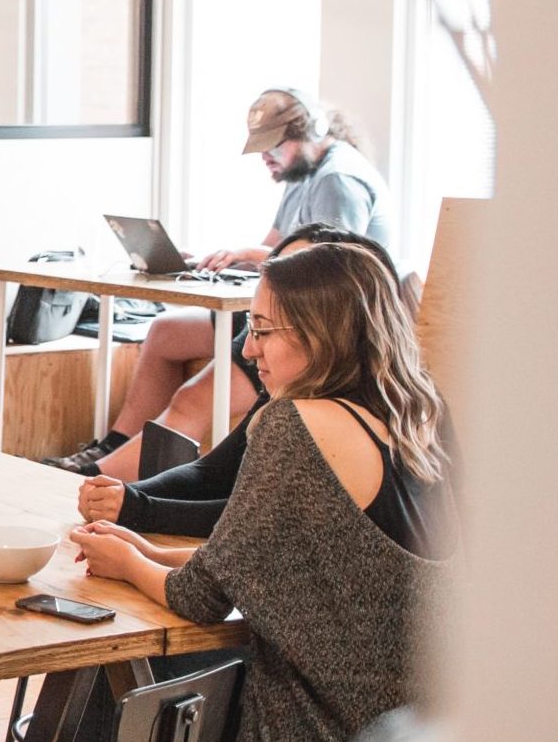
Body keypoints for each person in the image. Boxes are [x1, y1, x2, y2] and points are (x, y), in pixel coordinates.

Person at [68, 241, 455, 742]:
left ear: (320, 334)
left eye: (261, 330)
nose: (248, 351)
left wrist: (126, 561)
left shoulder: (297, 425)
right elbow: (258, 562)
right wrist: (140, 552)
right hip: (414, 741)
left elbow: (200, 598)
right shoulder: (412, 418)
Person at [48, 88, 397, 478]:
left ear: (309, 133)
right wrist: (225, 260)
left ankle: (99, 479)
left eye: (273, 147)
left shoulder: (339, 180)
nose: (266, 158)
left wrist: (254, 256)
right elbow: (275, 247)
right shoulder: (302, 174)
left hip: (315, 328)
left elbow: (331, 274)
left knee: (192, 399)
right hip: (287, 313)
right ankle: (114, 445)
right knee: (165, 333)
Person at [75, 224, 405, 537]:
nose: (249, 349)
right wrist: (122, 494)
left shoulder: (316, 420)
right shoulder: (307, 391)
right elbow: (215, 475)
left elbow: (245, 531)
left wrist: (134, 509)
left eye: (264, 327)